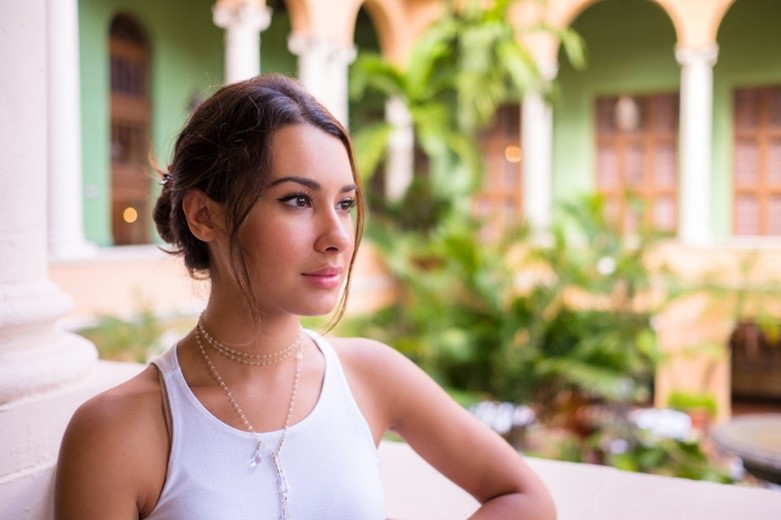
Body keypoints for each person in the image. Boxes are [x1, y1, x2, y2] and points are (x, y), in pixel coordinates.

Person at [54, 73, 556, 520]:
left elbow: (524, 497)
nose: (338, 235)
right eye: (297, 200)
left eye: (345, 203)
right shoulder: (119, 432)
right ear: (204, 216)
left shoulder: (371, 378)